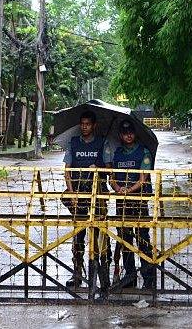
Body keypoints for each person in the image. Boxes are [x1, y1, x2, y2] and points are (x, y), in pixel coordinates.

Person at [62, 110, 110, 289]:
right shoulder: (73, 143)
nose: (84, 127)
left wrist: (97, 166)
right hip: (78, 194)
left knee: (101, 235)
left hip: (98, 194)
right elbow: (67, 169)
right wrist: (72, 192)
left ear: (94, 125)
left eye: (87, 124)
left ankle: (103, 276)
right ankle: (77, 273)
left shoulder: (102, 143)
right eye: (82, 124)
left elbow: (108, 167)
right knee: (78, 234)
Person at [110, 120, 156, 290]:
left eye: (130, 132)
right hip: (122, 202)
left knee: (143, 239)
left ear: (134, 134)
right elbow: (112, 177)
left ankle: (148, 277)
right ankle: (130, 277)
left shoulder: (144, 152)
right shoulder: (118, 153)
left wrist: (128, 190)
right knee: (124, 238)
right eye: (124, 132)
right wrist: (117, 188)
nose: (128, 135)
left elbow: (143, 179)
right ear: (120, 135)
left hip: (139, 201)